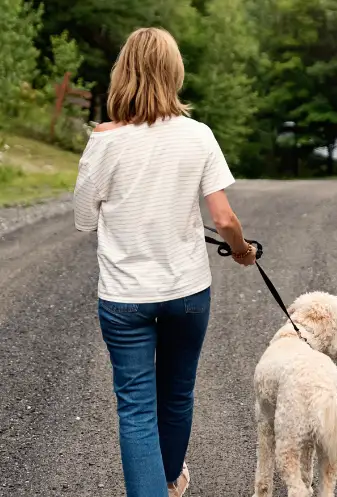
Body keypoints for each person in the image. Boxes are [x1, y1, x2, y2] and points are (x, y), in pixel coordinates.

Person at [73, 27, 256, 497]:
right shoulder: (198, 136)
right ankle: (171, 480)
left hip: (124, 298)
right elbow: (224, 217)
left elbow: (82, 219)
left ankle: (159, 485)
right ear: (174, 73)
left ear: (123, 73)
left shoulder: (104, 140)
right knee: (176, 395)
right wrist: (241, 250)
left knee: (136, 408)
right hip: (187, 292)